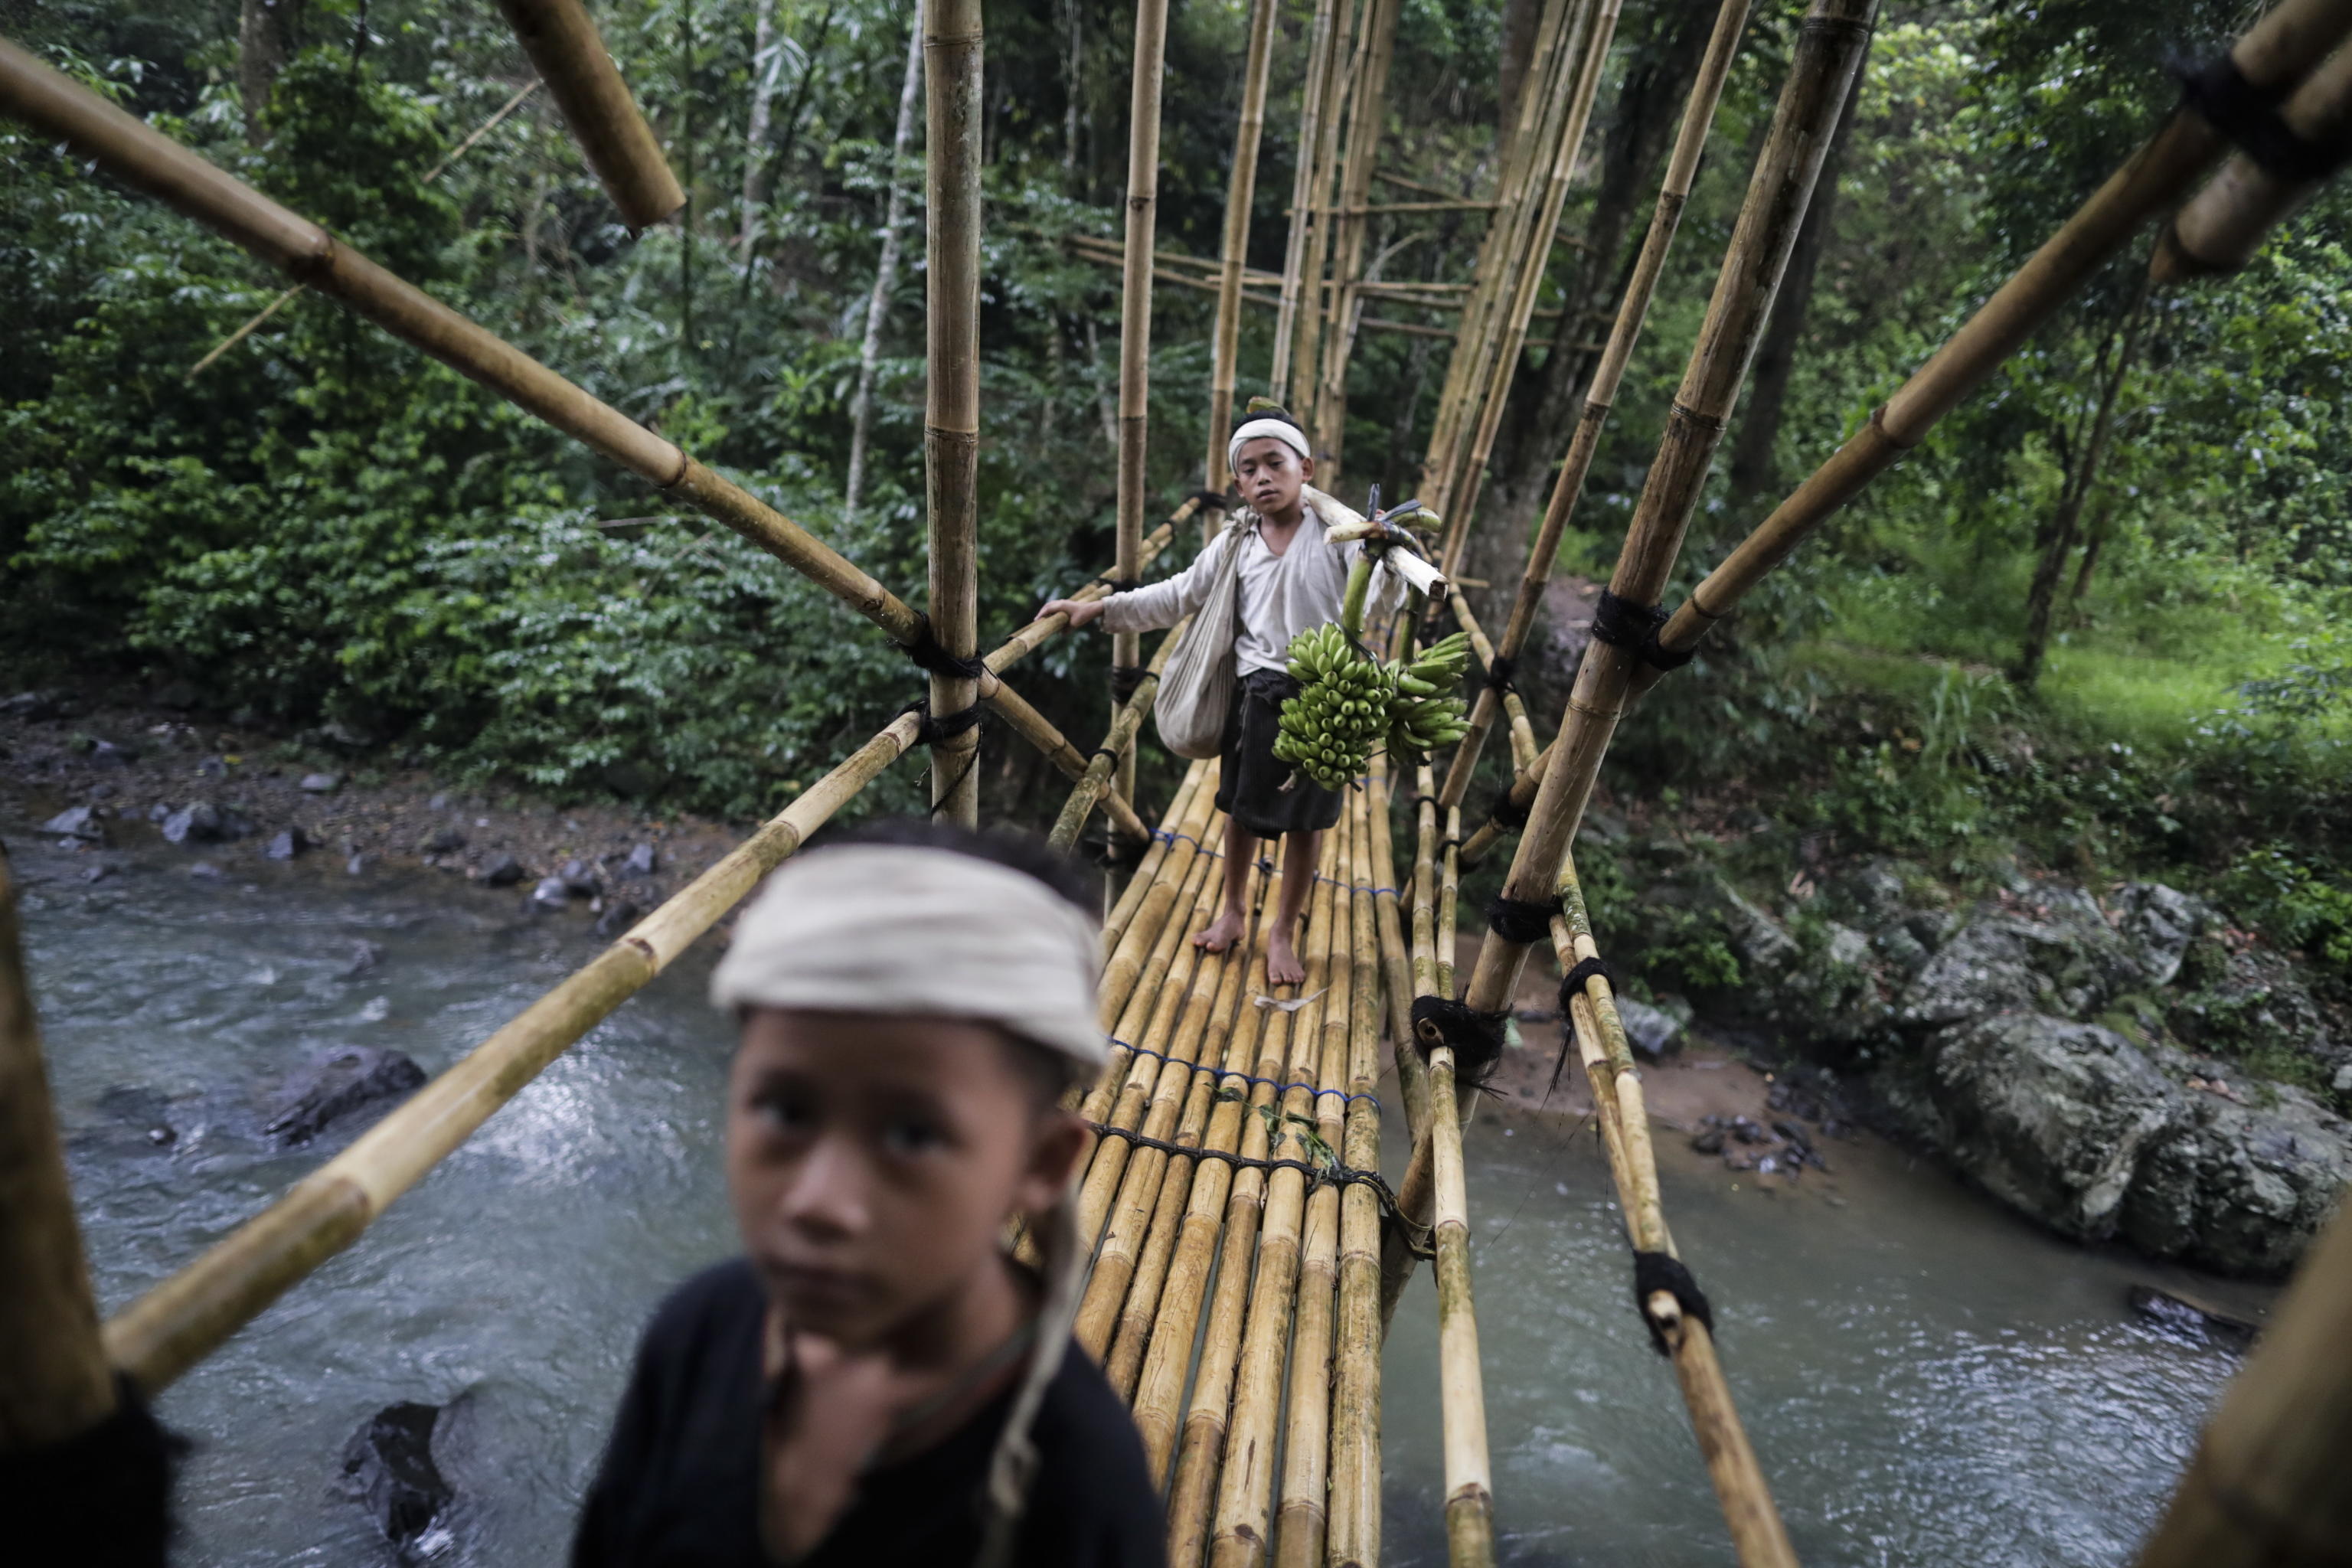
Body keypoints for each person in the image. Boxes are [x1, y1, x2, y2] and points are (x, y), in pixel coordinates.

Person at [571, 821, 1165, 1568]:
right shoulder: (694, 1338)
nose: (819, 1200)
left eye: (913, 1134)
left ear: (1041, 1161)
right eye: (785, 1110)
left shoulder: (1077, 1482)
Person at [1037, 408, 1403, 986]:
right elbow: (1178, 594)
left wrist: (1379, 550)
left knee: (1308, 822)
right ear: (1237, 486)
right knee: (1239, 808)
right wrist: (1099, 609)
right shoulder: (1237, 543)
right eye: (1248, 469)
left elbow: (1379, 592)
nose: (1263, 477)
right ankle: (1234, 909)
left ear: (1305, 468)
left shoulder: (1338, 534)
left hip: (1330, 696)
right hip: (1258, 694)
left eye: (1275, 464)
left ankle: (1282, 928)